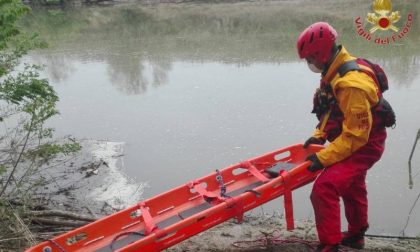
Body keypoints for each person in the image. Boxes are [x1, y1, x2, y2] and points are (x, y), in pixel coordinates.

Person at [296, 22, 387, 252]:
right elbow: (330, 109)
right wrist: (320, 135)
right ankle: (356, 236)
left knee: (324, 189)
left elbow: (357, 136)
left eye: (310, 59)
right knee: (352, 186)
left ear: (321, 53)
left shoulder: (351, 84)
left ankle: (330, 244)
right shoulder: (334, 70)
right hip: (352, 140)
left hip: (364, 144)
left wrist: (323, 158)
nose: (311, 64)